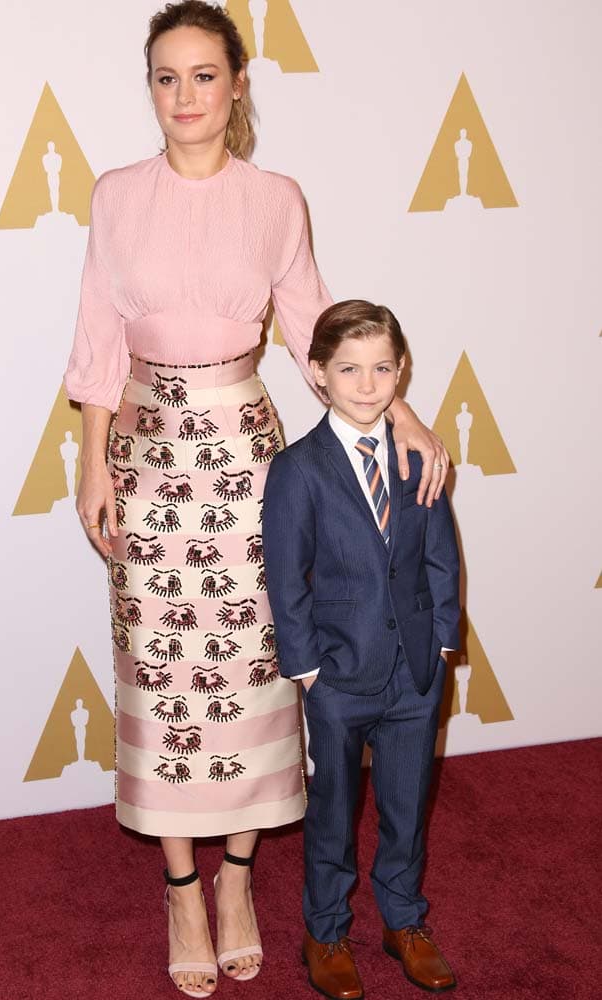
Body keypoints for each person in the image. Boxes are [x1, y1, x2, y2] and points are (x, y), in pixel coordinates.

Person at [64, 3, 448, 996]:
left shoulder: (275, 197)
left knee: (254, 662)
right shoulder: (114, 196)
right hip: (148, 456)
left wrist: (397, 411)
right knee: (164, 673)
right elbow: (99, 340)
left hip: (246, 456)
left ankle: (237, 877)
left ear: (238, 83)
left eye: (202, 75)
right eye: (164, 76)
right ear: (148, 86)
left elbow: (317, 321)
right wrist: (92, 460)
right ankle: (180, 886)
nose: (183, 95)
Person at [263, 301, 461, 999]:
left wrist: (441, 645)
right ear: (318, 373)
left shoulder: (419, 455)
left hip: (414, 672)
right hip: (338, 678)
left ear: (400, 370)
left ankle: (404, 921)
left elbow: (440, 556)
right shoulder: (298, 469)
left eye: (382, 368)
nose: (368, 384)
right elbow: (285, 580)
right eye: (349, 369)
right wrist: (310, 671)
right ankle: (325, 931)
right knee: (333, 811)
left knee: (408, 809)